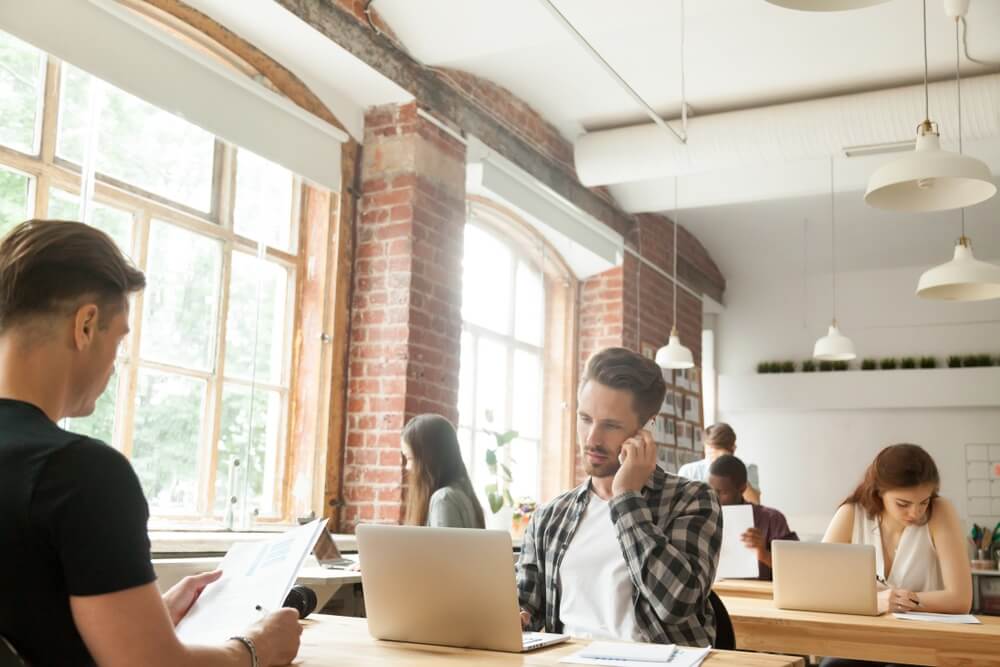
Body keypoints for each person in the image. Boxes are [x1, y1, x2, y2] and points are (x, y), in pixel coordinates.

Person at [0, 220, 301, 666]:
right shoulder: (79, 473)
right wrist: (253, 650)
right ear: (86, 325)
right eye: (119, 339)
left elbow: (29, 623)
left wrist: (148, 614)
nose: (115, 365)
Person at [517, 347, 722, 647]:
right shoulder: (550, 516)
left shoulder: (692, 499)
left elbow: (677, 603)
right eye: (585, 418)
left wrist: (625, 497)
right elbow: (526, 608)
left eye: (610, 425)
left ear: (647, 429)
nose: (592, 438)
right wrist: (515, 615)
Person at [707, 455, 798, 580]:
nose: (714, 497)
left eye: (722, 492)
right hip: (715, 592)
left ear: (742, 488)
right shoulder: (703, 516)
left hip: (756, 594)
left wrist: (764, 554)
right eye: (710, 490)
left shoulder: (772, 519)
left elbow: (796, 568)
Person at [401, 413, 485, 528]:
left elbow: (443, 546)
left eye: (410, 458)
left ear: (429, 459)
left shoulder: (443, 499)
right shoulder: (461, 493)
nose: (407, 467)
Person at [678, 422, 761, 503]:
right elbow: (679, 504)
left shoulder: (749, 468)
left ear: (733, 449)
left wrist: (730, 466)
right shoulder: (689, 471)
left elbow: (754, 502)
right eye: (711, 452)